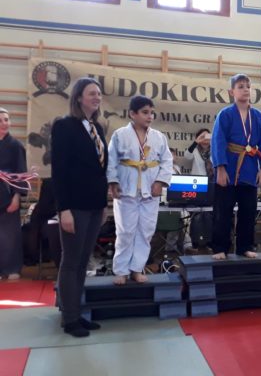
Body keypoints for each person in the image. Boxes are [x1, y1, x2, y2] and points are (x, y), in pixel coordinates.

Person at [51, 77, 108, 337]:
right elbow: (59, 171)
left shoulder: (97, 128)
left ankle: (76, 311)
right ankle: (69, 318)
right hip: (74, 206)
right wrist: (63, 209)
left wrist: (103, 204)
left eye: (99, 93)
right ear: (78, 97)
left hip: (95, 204)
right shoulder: (64, 126)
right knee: (71, 261)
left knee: (84, 261)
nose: (97, 97)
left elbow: (100, 170)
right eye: (92, 93)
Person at [107, 95, 173, 285]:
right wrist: (113, 182)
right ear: (132, 114)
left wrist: (160, 182)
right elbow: (111, 161)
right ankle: (121, 270)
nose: (149, 116)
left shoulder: (159, 137)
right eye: (145, 112)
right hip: (126, 189)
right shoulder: (120, 135)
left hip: (150, 190)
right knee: (125, 231)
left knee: (146, 231)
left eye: (151, 112)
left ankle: (137, 268)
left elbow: (167, 161)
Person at [211, 73, 261, 260]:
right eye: (240, 86)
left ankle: (245, 246)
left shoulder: (259, 117)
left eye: (248, 86)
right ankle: (220, 248)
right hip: (229, 168)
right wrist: (220, 169)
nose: (245, 89)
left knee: (248, 211)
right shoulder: (225, 115)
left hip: (249, 168)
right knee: (223, 211)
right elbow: (218, 141)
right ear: (232, 92)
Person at [0, 107, 27, 281]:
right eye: (0, 120)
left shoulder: (15, 145)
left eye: (6, 119)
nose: (4, 123)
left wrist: (17, 197)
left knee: (10, 236)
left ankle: (12, 268)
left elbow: (21, 173)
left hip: (9, 195)